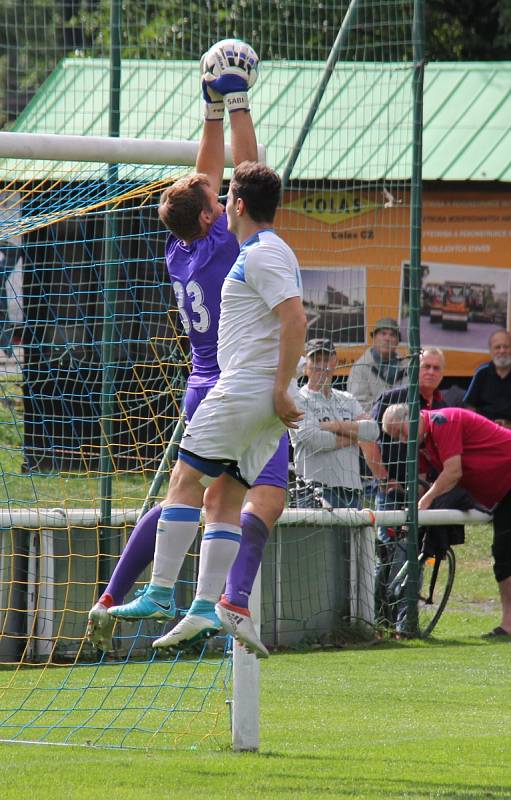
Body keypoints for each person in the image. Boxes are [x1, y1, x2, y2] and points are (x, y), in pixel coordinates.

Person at [87, 40, 297, 659]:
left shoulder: (178, 249)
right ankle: (209, 597)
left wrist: (208, 111)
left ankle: (197, 601)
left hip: (203, 378)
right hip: (240, 382)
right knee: (236, 494)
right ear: (213, 218)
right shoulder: (229, 246)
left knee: (213, 494)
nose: (222, 194)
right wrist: (236, 103)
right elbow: (248, 179)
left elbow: (206, 184)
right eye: (217, 199)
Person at [364, 348, 475, 630]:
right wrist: (384, 478)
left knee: (415, 556)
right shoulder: (392, 399)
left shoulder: (442, 405)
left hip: (425, 494)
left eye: (437, 368)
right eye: (426, 366)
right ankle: (380, 620)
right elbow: (366, 438)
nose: (430, 372)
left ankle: (405, 624)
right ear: (415, 368)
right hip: (393, 493)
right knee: (388, 555)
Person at [382, 404, 511, 638]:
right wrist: (414, 509)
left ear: (414, 418)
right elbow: (421, 484)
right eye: (395, 437)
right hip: (499, 493)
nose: (402, 440)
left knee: (505, 553)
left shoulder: (443, 421)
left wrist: (425, 502)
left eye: (402, 432)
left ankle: (509, 625)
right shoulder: (421, 443)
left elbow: (452, 472)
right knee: (503, 556)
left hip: (507, 481)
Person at [289, 338, 373, 509]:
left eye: (326, 359)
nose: (322, 366)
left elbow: (372, 431)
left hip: (352, 492)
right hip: (314, 490)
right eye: (316, 360)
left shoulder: (347, 398)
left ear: (335, 362)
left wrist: (335, 426)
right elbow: (317, 441)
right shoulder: (297, 399)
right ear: (306, 366)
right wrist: (355, 435)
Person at [347, 317, 408, 413]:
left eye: (392, 335)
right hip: (371, 424)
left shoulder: (407, 367)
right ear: (374, 338)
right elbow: (358, 404)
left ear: (397, 341)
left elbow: (411, 400)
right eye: (383, 333)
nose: (387, 338)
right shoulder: (360, 367)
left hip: (402, 424)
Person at [464, 329, 511, 428]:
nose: (502, 351)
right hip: (485, 431)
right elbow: (469, 407)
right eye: (497, 347)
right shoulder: (481, 373)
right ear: (491, 351)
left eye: (506, 347)